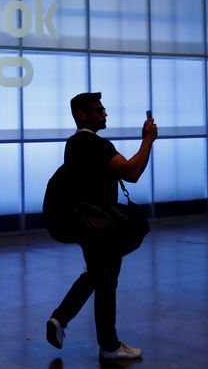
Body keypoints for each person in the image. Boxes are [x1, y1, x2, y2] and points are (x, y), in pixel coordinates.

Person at [46, 92, 157, 360]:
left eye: (104, 109)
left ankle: (71, 325)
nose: (104, 113)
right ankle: (105, 343)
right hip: (101, 224)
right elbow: (132, 172)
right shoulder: (94, 144)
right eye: (98, 110)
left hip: (85, 222)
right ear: (82, 115)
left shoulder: (73, 144)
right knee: (104, 277)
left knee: (101, 275)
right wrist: (148, 139)